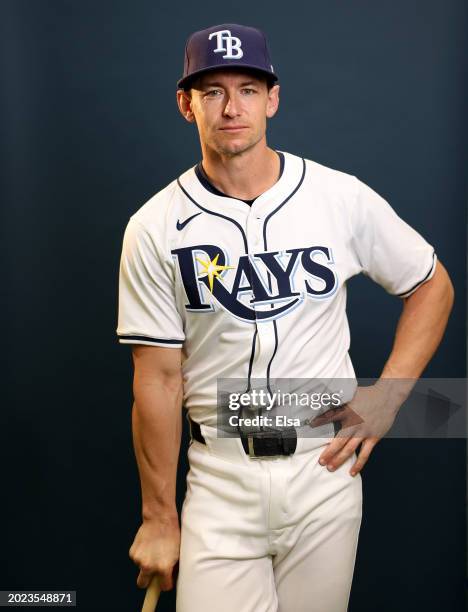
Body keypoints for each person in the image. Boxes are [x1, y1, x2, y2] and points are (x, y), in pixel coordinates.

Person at [116, 23, 454, 612]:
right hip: (220, 476)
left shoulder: (337, 196)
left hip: (322, 468)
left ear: (273, 99)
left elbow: (431, 285)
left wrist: (390, 396)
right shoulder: (153, 226)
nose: (231, 107)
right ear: (185, 103)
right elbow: (158, 379)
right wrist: (159, 518)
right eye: (212, 91)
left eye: (248, 89)